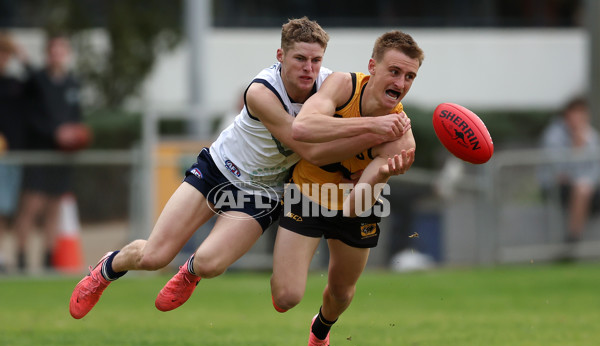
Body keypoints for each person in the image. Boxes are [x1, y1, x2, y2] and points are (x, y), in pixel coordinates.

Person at [69, 17, 411, 319]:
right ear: (281, 57)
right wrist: (372, 131)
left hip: (263, 193)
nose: (309, 68)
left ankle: (190, 272)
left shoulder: (330, 86)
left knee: (210, 264)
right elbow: (309, 148)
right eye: (300, 59)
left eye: (316, 60)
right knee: (154, 256)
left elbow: (360, 111)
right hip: (219, 170)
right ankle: (106, 270)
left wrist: (377, 150)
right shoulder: (262, 92)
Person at [269, 30, 424, 346]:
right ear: (372, 67)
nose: (401, 82)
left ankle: (320, 333)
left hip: (355, 208)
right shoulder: (343, 85)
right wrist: (373, 125)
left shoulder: (402, 138)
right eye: (395, 71)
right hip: (305, 194)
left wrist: (382, 173)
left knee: (341, 293)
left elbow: (355, 206)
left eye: (410, 76)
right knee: (285, 297)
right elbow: (304, 127)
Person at [13, 34, 84, 272]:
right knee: (31, 207)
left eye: (62, 51)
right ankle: (21, 257)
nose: (58, 55)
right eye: (53, 51)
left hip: (62, 157)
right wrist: (54, 133)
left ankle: (47, 258)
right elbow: (30, 116)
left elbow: (77, 116)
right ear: (48, 54)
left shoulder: (73, 84)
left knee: (55, 206)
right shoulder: (37, 81)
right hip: (39, 154)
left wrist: (74, 134)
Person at [538, 96, 600, 247]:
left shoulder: (591, 136)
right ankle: (573, 238)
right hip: (557, 188)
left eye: (582, 114)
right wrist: (576, 147)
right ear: (567, 115)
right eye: (575, 113)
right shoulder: (554, 135)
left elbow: (596, 169)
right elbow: (559, 171)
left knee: (583, 188)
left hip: (588, 188)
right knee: (581, 188)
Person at [0, 32, 28, 272]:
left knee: (6, 209)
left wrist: (24, 57)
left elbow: (40, 86)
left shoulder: (15, 85)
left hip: (11, 157)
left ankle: (5, 255)